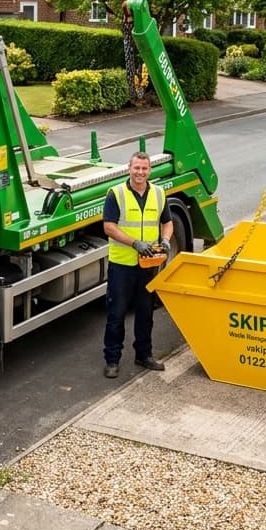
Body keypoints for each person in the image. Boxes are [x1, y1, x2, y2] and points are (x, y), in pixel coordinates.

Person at [101, 150, 173, 378]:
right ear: (129, 169)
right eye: (136, 168)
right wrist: (135, 243)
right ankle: (112, 359)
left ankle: (144, 355)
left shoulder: (159, 194)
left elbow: (167, 222)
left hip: (148, 266)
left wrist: (165, 240)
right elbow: (109, 227)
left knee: (145, 313)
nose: (140, 172)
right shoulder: (117, 194)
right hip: (122, 266)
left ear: (149, 170)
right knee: (116, 314)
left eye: (144, 168)